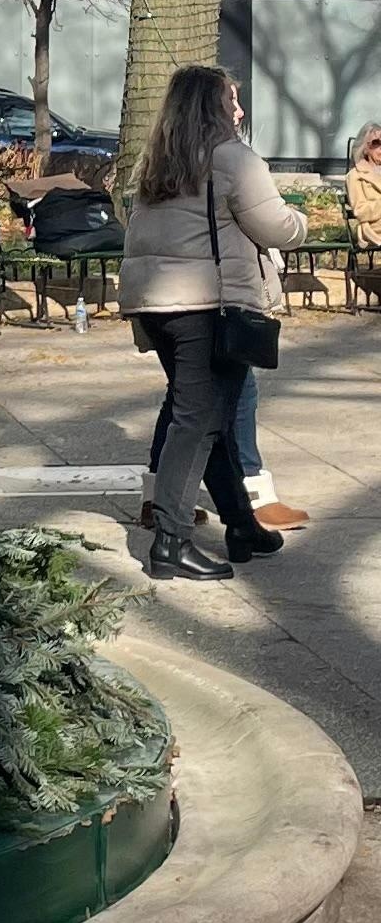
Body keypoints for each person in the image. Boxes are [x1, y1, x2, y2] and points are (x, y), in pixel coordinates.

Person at [123, 66, 304, 579]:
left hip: (156, 307)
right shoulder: (233, 158)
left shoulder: (158, 159)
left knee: (212, 418)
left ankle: (243, 525)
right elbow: (278, 227)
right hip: (208, 306)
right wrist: (301, 220)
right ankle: (171, 543)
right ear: (213, 106)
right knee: (197, 422)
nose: (239, 110)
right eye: (232, 100)